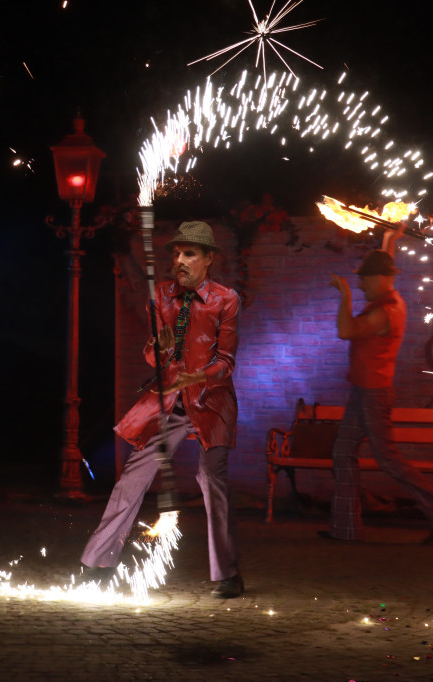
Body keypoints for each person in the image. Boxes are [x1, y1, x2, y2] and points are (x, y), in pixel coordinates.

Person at [81, 221, 243, 598]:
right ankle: (97, 562)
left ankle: (228, 575)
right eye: (176, 253)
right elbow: (154, 355)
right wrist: (163, 348)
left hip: (211, 401)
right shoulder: (162, 296)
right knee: (133, 478)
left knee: (211, 483)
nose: (179, 261)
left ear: (208, 259)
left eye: (189, 254)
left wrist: (197, 377)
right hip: (169, 399)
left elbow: (227, 361)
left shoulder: (226, 299)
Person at [321, 229, 433, 543]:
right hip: (364, 390)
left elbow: (346, 331)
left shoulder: (385, 311)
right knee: (343, 452)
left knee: (388, 459)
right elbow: (386, 264)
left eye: (363, 279)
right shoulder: (388, 294)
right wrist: (391, 238)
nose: (359, 284)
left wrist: (344, 294)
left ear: (380, 279)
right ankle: (345, 529)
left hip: (373, 393)